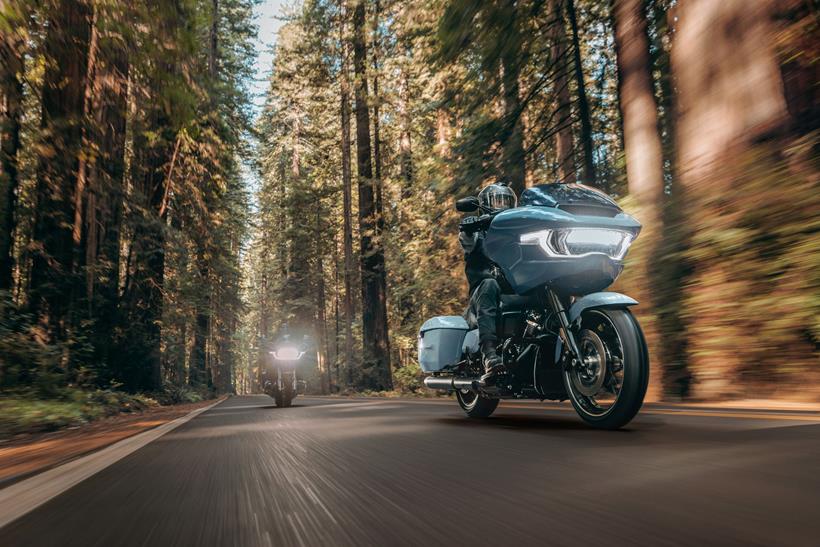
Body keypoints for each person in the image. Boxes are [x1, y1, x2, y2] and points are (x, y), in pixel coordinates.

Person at [459, 181, 518, 384]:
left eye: (506, 201)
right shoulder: (476, 232)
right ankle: (489, 354)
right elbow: (467, 240)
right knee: (489, 284)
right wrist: (471, 225)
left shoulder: (517, 234)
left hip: (513, 292)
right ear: (485, 204)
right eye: (496, 201)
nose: (501, 205)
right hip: (482, 294)